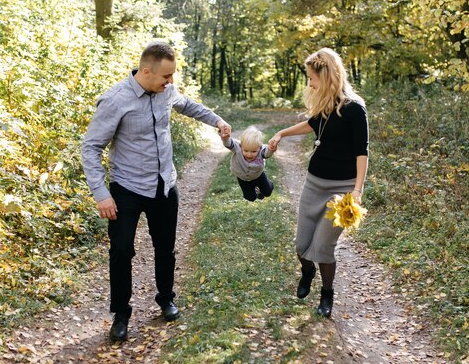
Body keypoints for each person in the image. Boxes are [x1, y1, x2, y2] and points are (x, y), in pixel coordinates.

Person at [81, 41, 231, 342]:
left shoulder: (166, 91)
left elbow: (188, 105)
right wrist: (101, 193)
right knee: (121, 251)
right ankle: (121, 314)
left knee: (166, 248)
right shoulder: (115, 100)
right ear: (146, 71)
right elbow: (90, 148)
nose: (170, 82)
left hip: (164, 184)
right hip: (126, 188)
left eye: (172, 76)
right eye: (165, 76)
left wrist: (217, 120)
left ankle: (166, 299)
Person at [268, 47, 368, 318]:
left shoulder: (355, 109)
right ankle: (307, 271)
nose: (309, 83)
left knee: (323, 247)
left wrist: (357, 190)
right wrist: (280, 133)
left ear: (327, 75)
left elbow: (362, 152)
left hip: (343, 190)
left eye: (312, 78)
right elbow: (311, 126)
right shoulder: (325, 103)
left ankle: (327, 294)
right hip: (314, 183)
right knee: (302, 245)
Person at [221, 126, 274, 201]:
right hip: (242, 178)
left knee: (268, 192)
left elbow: (267, 154)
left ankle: (268, 184)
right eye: (245, 151)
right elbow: (229, 144)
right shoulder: (237, 147)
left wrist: (271, 150)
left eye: (253, 151)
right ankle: (255, 191)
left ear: (259, 147)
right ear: (241, 146)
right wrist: (225, 139)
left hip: (258, 175)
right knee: (250, 198)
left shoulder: (261, 151)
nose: (249, 154)